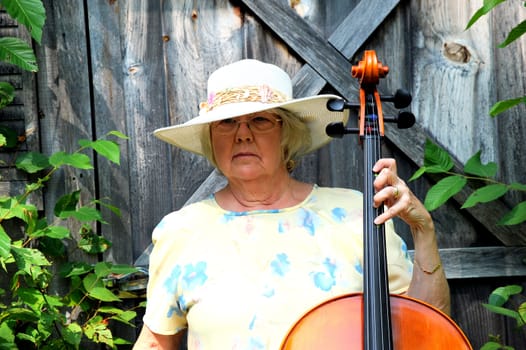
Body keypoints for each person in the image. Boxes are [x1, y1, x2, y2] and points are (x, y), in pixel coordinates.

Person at [134, 59, 449, 349]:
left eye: (259, 120)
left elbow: (426, 330)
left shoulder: (356, 214)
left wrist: (424, 231)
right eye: (227, 122)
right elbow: (155, 343)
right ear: (211, 138)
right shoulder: (182, 231)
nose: (242, 134)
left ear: (287, 132)